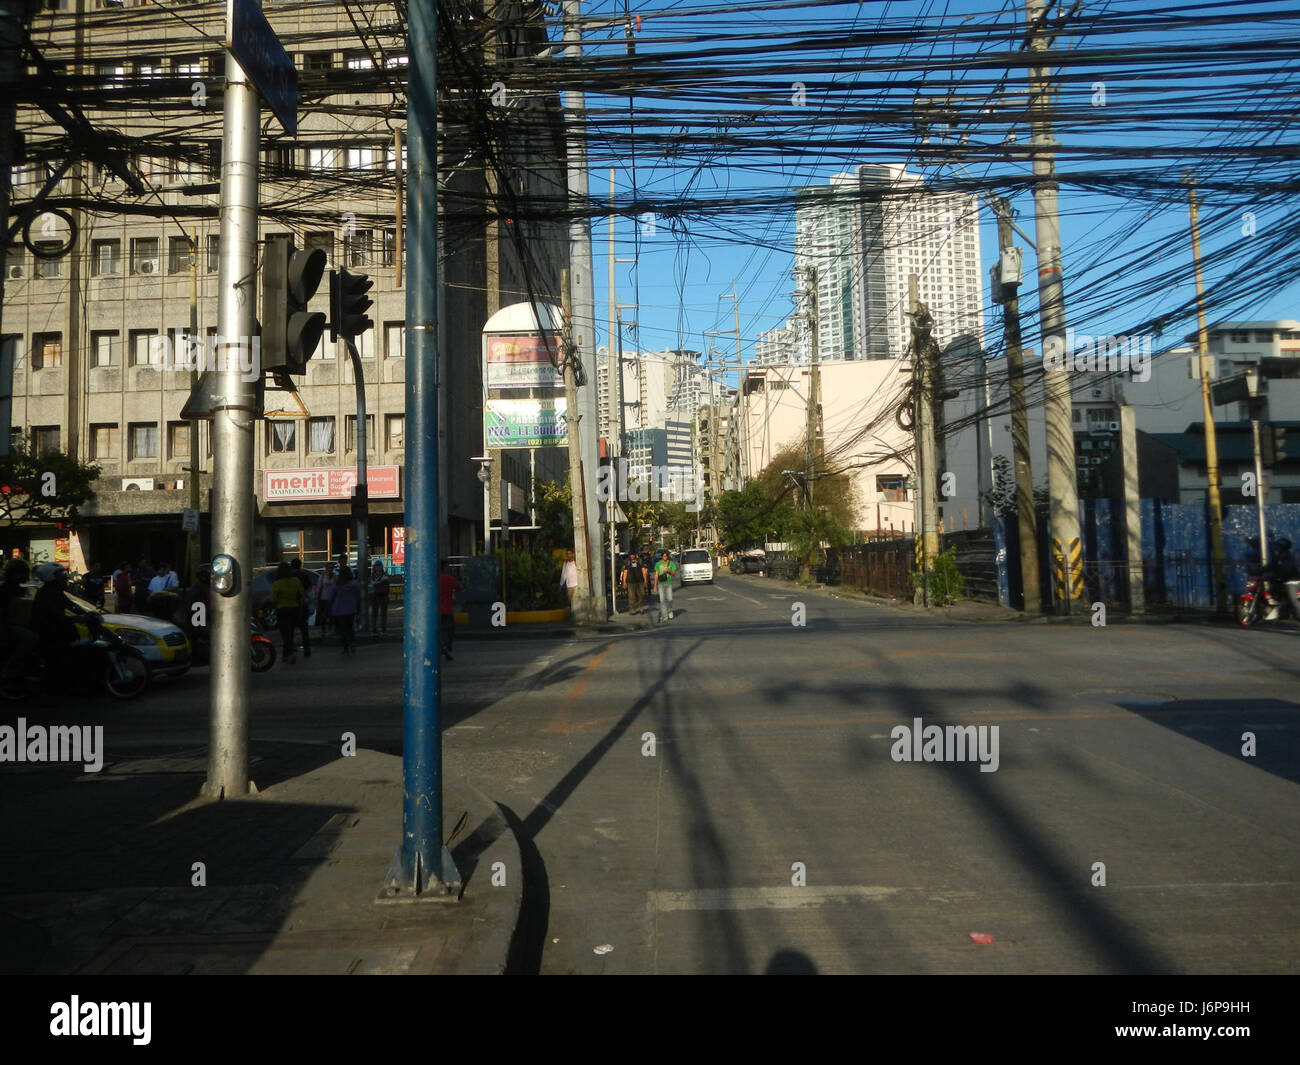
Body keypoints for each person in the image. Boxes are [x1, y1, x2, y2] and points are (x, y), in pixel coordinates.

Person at [0, 559, 37, 683]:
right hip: (6, 625)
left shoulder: (22, 588)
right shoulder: (6, 589)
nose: (24, 576)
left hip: (15, 623)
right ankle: (9, 668)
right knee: (30, 638)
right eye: (21, 573)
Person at [269, 561, 307, 664]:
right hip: (294, 609)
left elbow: (272, 599)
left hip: (282, 610)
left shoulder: (277, 584)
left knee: (285, 634)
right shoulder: (295, 581)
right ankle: (285, 655)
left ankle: (291, 652)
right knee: (290, 632)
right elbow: (302, 594)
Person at [330, 566, 364, 654]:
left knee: (342, 629)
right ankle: (352, 643)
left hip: (339, 610)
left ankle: (346, 646)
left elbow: (332, 597)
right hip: (351, 609)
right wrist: (358, 609)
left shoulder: (337, 585)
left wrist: (328, 609)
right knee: (350, 627)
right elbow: (358, 598)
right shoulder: (354, 584)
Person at [290, 558, 317, 657]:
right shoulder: (304, 575)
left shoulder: (289, 576)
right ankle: (307, 649)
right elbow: (309, 588)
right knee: (304, 628)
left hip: (291, 604)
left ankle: (291, 648)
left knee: (291, 628)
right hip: (302, 604)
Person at [439, 559, 462, 661]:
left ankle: (443, 647)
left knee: (441, 630)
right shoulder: (449, 579)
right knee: (449, 630)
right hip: (447, 609)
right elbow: (459, 587)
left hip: (437, 610)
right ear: (445, 568)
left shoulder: (435, 579)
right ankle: (445, 646)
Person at [652, 549, 677, 622]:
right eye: (664, 556)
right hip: (660, 584)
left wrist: (670, 571)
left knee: (670, 599)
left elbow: (674, 574)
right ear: (661, 557)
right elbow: (656, 575)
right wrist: (655, 586)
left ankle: (670, 611)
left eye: (666, 556)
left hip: (668, 583)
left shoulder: (671, 563)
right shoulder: (658, 564)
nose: (665, 557)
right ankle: (664, 616)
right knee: (662, 600)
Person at [369, 562, 391, 634]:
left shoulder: (384, 574)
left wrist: (377, 582)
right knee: (375, 613)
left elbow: (386, 580)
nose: (378, 567)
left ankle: (383, 629)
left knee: (383, 613)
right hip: (375, 595)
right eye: (377, 566)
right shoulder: (374, 575)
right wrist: (381, 581)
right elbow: (372, 583)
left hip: (383, 594)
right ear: (374, 567)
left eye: (379, 566)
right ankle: (374, 629)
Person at [318, 562, 337, 632]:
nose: (330, 569)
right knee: (324, 614)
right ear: (326, 568)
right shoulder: (322, 576)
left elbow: (336, 586)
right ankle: (324, 628)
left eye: (331, 568)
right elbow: (319, 587)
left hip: (332, 597)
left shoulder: (335, 576)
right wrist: (317, 598)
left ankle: (330, 627)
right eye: (329, 567)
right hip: (324, 598)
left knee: (332, 614)